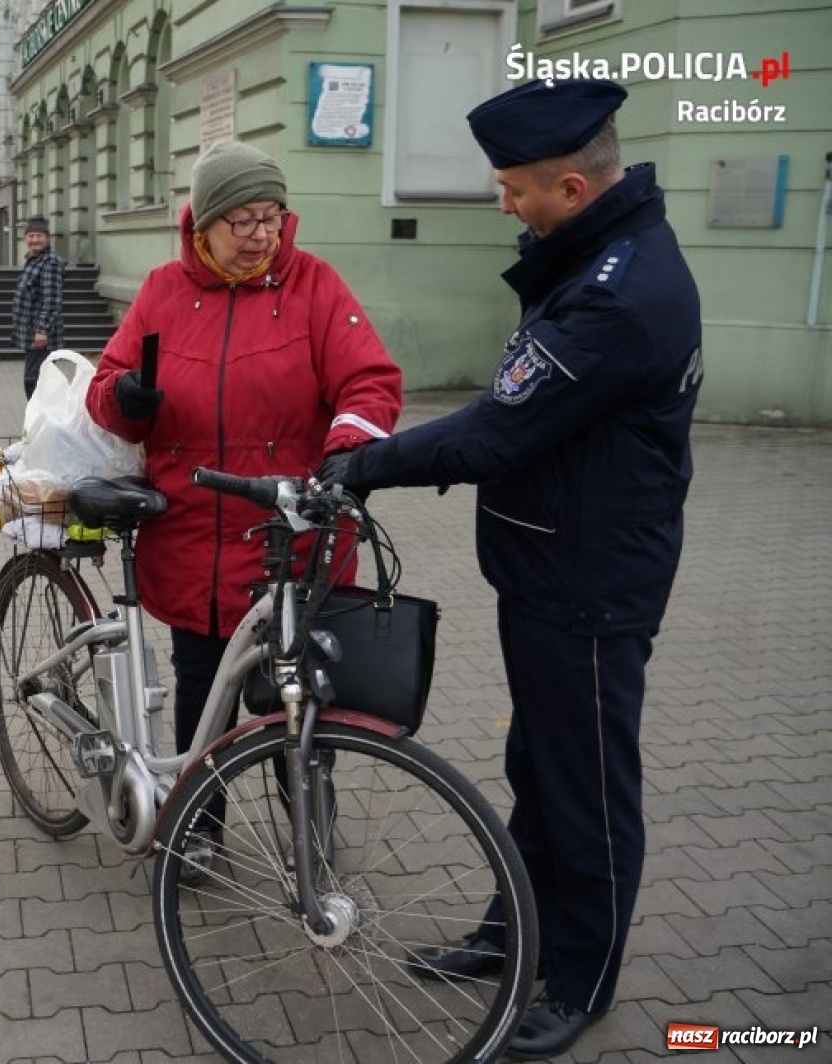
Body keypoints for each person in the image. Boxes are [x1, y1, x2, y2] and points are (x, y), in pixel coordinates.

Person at [320, 79, 702, 1059]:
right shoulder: (597, 260)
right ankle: (515, 930)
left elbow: (497, 429)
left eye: (512, 190)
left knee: (586, 787)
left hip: (587, 582)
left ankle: (581, 975)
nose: (503, 205)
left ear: (570, 187)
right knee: (539, 763)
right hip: (554, 567)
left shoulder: (617, 296)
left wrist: (363, 465)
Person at [86, 139, 403, 833]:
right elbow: (106, 391)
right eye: (245, 221)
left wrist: (347, 453)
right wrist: (128, 399)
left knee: (300, 699)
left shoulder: (314, 285)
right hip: (194, 538)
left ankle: (307, 828)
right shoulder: (163, 293)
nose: (263, 235)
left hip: (293, 537)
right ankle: (198, 830)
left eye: (274, 217)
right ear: (204, 223)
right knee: (206, 697)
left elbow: (370, 383)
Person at [12, 216, 65, 398]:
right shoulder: (32, 260)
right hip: (31, 333)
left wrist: (43, 330)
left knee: (33, 381)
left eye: (39, 236)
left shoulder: (50, 262)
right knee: (38, 380)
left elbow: (52, 300)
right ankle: (41, 420)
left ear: (47, 238)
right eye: (31, 236)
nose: (34, 240)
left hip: (41, 335)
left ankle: (37, 421)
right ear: (25, 238)